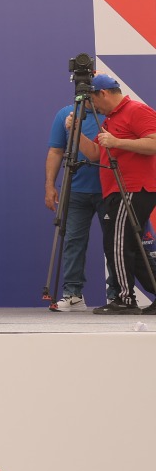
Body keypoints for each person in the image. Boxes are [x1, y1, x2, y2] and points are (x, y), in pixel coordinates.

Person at [80, 74, 156, 315]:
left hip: (134, 188)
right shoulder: (111, 119)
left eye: (92, 101)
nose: (93, 107)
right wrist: (75, 132)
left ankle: (125, 299)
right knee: (131, 246)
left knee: (118, 243)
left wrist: (117, 142)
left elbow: (154, 143)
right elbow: (95, 153)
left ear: (102, 93)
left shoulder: (137, 110)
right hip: (117, 190)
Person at [45, 94, 106, 311]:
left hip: (110, 190)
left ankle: (118, 296)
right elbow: (56, 151)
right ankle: (73, 294)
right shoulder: (66, 114)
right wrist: (49, 185)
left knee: (114, 244)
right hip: (76, 190)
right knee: (73, 241)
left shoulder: (111, 114)